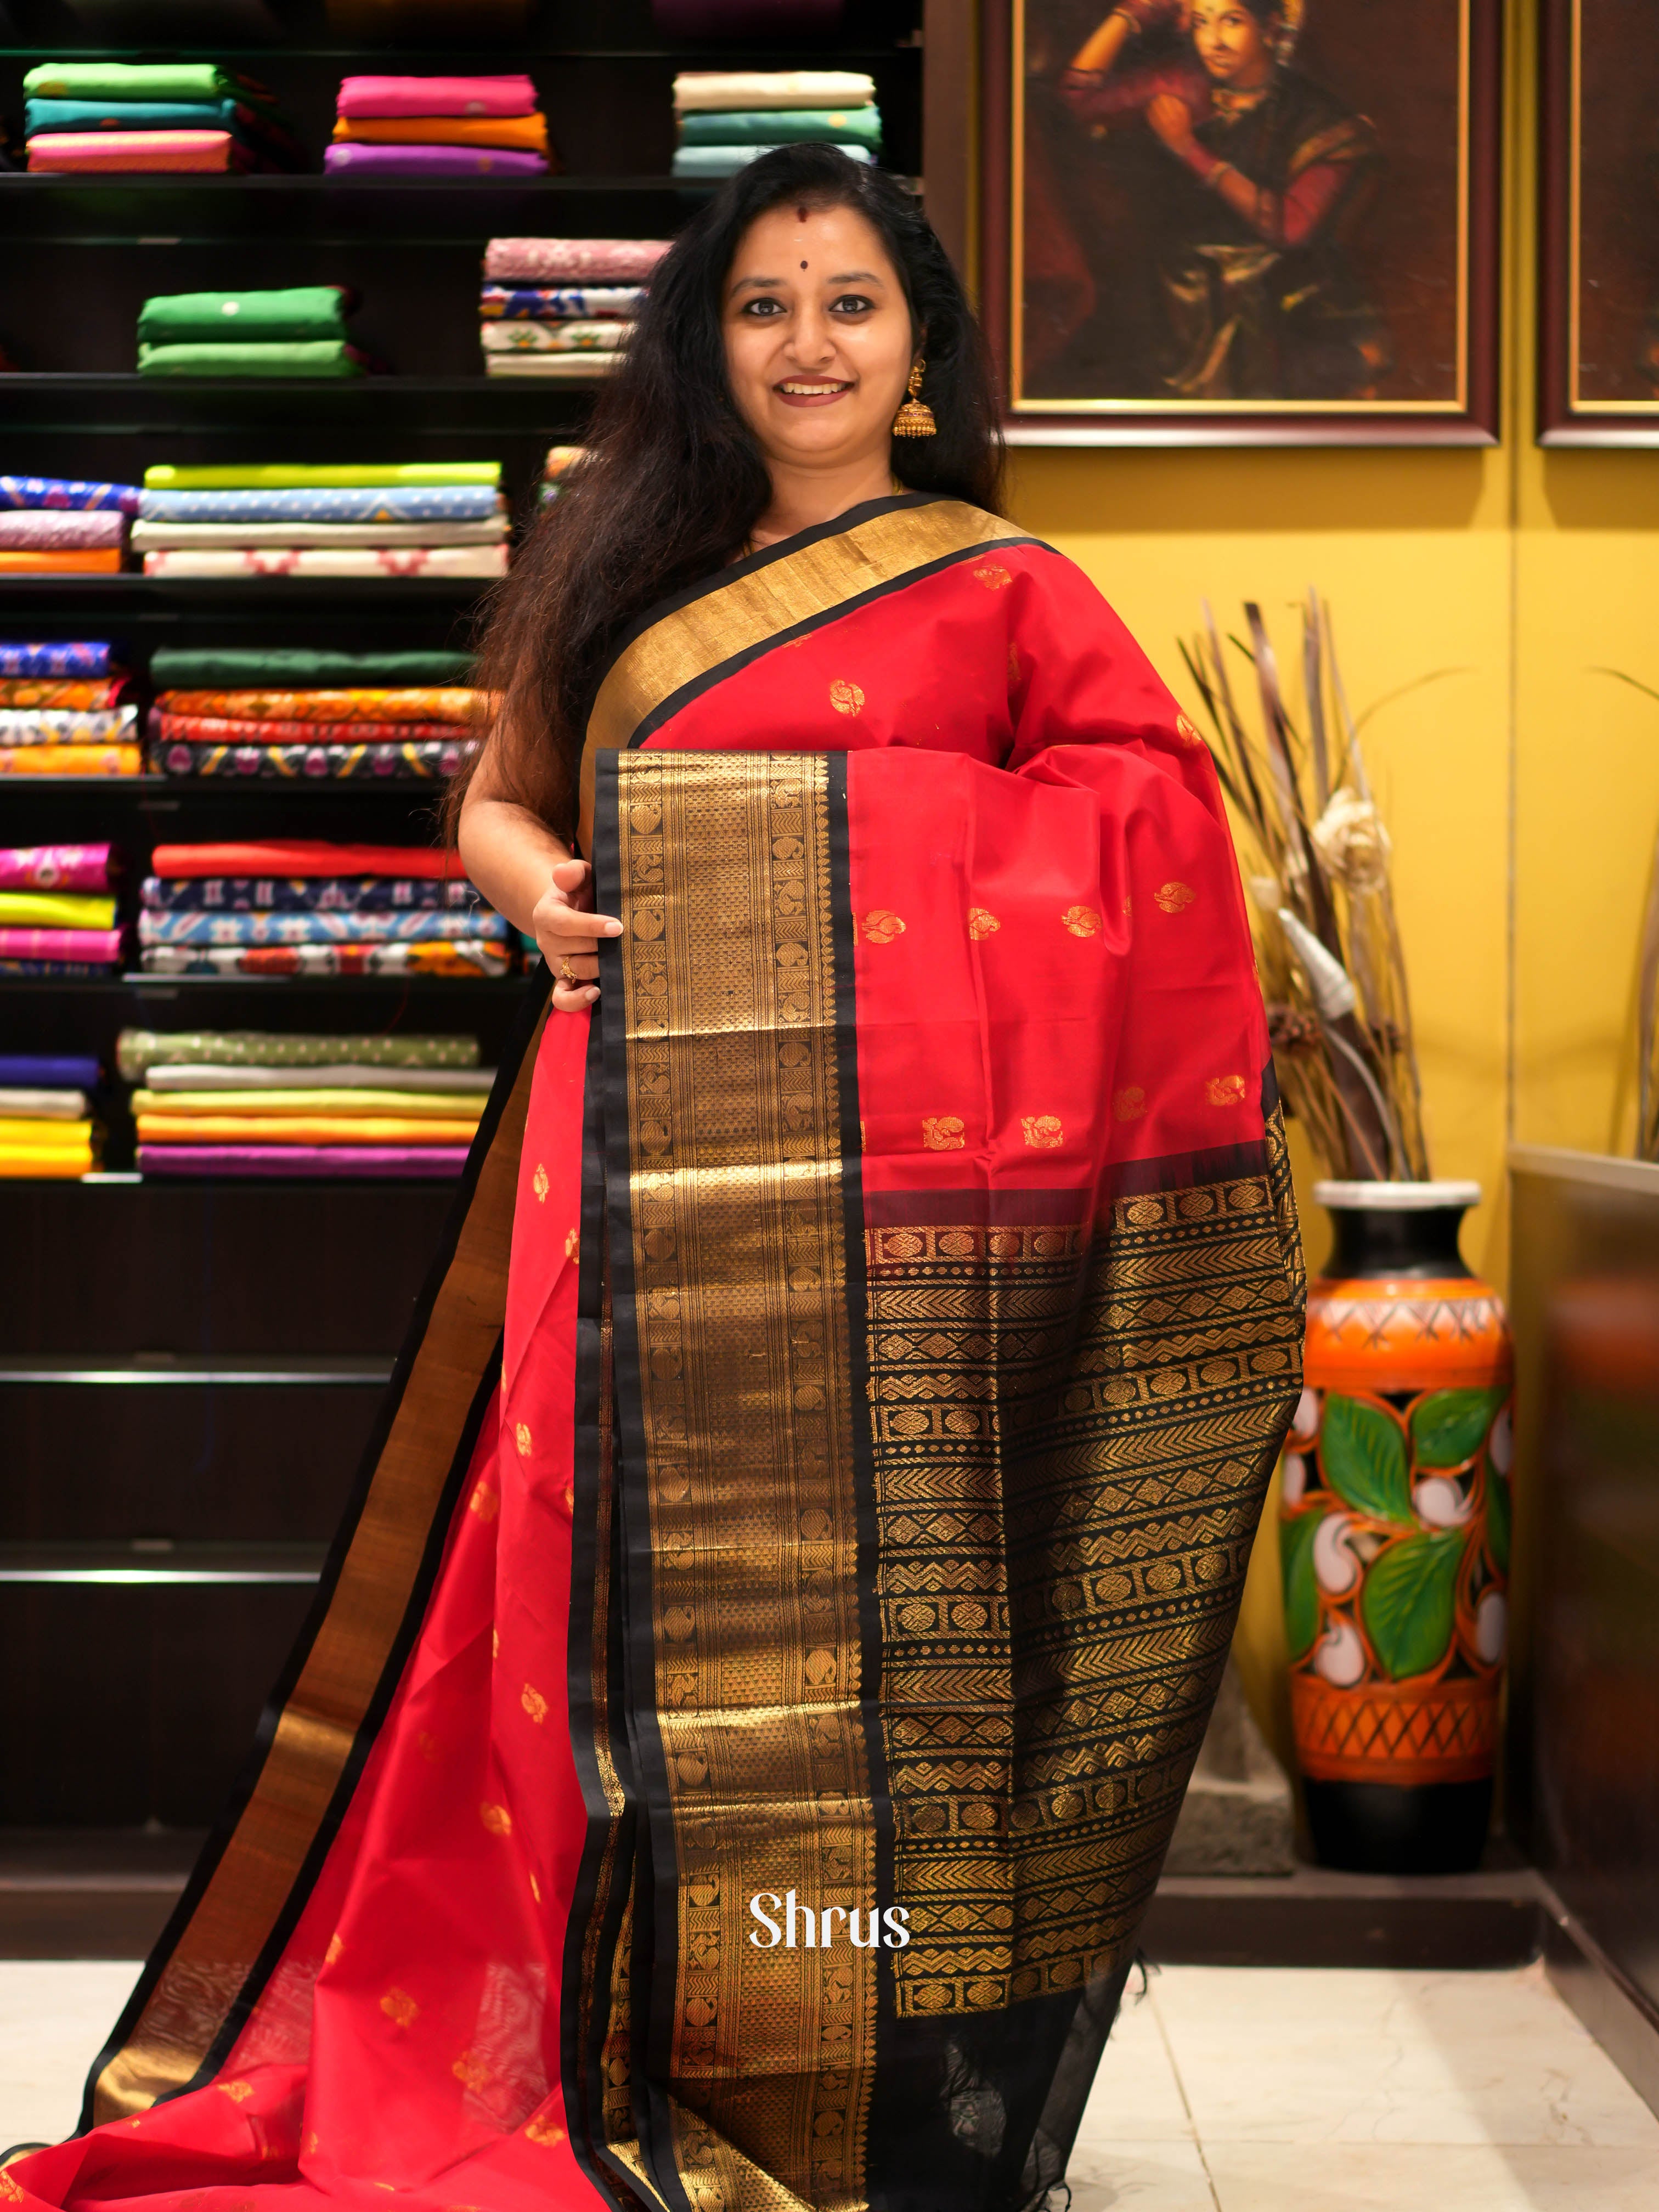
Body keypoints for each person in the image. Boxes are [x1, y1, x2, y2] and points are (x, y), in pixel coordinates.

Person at [9, 146, 1303, 2212]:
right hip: (613, 1166)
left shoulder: (1000, 585)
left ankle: (826, 2064)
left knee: (869, 1639)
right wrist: (538, 896)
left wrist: (826, 854)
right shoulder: (617, 556)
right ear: (706, 342)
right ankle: (577, 2029)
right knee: (570, 1590)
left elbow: (1137, 825)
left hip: (890, 1237)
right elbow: (499, 802)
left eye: (850, 302)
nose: (805, 340)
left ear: (916, 350)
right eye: (761, 302)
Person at [1057, 0, 1389, 398]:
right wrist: (1131, 15)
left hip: (1282, 296)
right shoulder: (1182, 83)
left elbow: (1290, 226)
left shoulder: (1319, 116)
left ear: (1270, 27)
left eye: (1231, 21)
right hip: (1179, 293)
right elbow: (1076, 97)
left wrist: (1188, 150)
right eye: (1201, 23)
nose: (1213, 42)